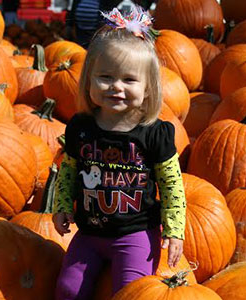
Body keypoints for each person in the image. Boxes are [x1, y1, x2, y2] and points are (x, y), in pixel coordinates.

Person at [53, 5, 186, 299]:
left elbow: (171, 183)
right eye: (105, 77)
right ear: (88, 79)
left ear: (148, 88)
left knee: (130, 293)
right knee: (67, 290)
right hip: (89, 233)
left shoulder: (154, 133)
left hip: (135, 234)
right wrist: (61, 205)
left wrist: (175, 230)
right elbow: (69, 169)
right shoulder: (81, 127)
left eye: (129, 80)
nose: (116, 87)